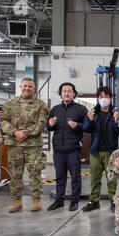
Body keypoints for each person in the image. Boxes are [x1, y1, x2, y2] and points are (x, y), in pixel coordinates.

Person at [0, 77, 49, 213]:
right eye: (25, 86)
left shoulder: (41, 105)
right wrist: (15, 132)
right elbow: (3, 121)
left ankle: (36, 199)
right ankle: (17, 201)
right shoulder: (10, 103)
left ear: (34, 88)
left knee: (35, 173)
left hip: (33, 145)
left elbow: (41, 124)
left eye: (30, 86)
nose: (27, 88)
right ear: (20, 87)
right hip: (14, 144)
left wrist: (25, 133)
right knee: (15, 173)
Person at [46, 82, 88, 212]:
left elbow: (87, 126)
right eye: (64, 91)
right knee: (60, 176)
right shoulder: (55, 109)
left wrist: (78, 126)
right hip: (58, 149)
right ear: (60, 94)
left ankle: (74, 202)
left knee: (75, 177)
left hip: (73, 149)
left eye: (69, 91)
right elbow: (48, 127)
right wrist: (50, 124)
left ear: (74, 93)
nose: (67, 93)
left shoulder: (81, 109)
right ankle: (59, 200)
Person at [82, 86, 119, 213]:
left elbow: (118, 132)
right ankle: (93, 201)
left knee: (112, 178)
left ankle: (113, 200)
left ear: (110, 98)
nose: (104, 99)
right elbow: (86, 129)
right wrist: (89, 119)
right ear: (98, 98)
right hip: (95, 151)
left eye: (106, 97)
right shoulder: (93, 113)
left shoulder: (115, 114)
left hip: (110, 151)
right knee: (95, 178)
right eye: (101, 97)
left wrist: (116, 121)